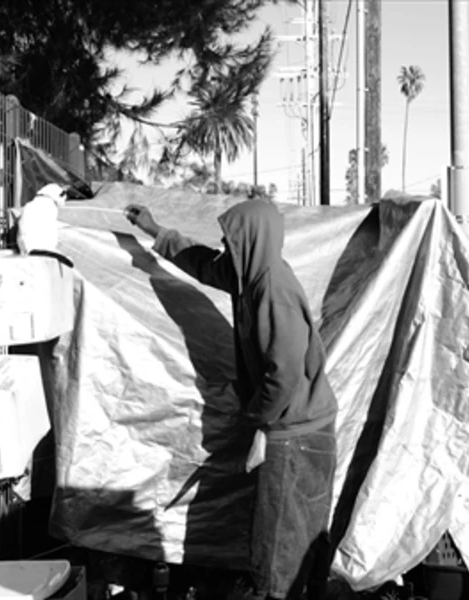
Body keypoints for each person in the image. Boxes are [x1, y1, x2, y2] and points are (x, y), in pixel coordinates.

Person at [124, 199, 338, 600]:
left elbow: (284, 375)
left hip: (296, 432)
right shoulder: (251, 275)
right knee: (298, 533)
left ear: (252, 240)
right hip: (299, 426)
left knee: (281, 541)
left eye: (231, 239)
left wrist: (257, 420)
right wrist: (156, 231)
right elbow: (206, 264)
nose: (225, 244)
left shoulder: (272, 292)